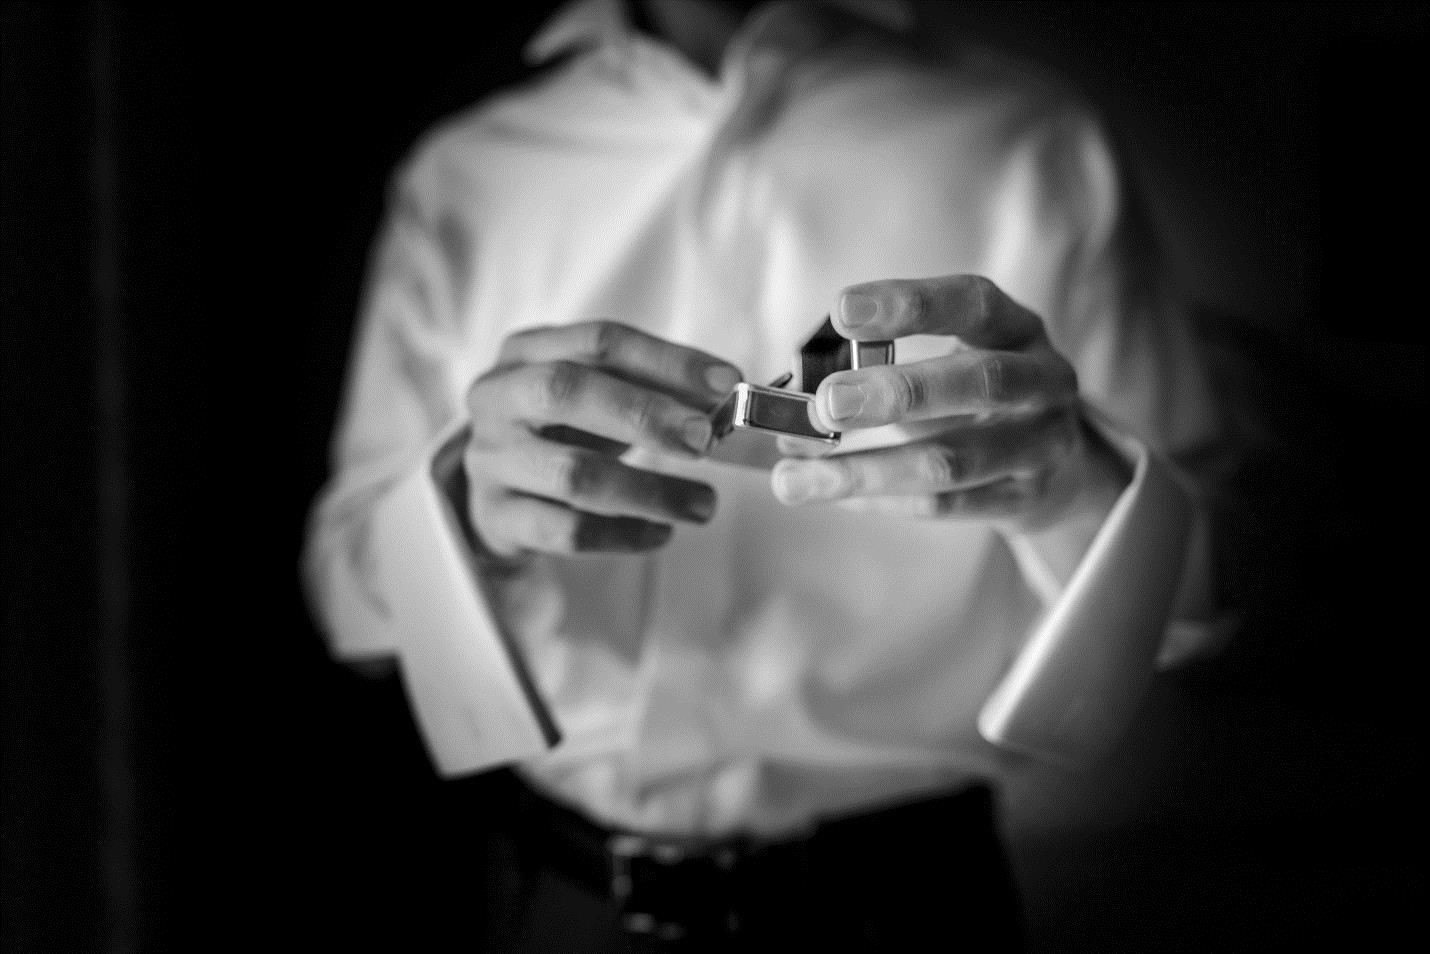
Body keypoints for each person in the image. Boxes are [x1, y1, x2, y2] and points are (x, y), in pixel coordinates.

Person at [301, 0, 1244, 949]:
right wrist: (461, 513)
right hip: (564, 905)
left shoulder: (1039, 144)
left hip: (913, 908)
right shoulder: (463, 174)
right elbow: (346, 601)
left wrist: (1080, 491)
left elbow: (1206, 592)